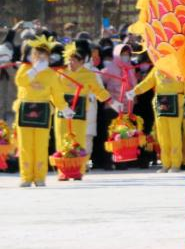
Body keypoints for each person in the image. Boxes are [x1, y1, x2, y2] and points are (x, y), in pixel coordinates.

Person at [55, 43, 120, 177]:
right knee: (62, 140)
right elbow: (53, 91)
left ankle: (79, 170)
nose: (71, 63)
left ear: (81, 61)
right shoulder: (61, 73)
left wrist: (112, 102)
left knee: (79, 140)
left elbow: (99, 91)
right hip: (63, 111)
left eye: (74, 60)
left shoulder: (88, 75)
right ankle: (63, 171)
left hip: (79, 111)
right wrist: (61, 106)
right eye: (70, 60)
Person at [13, 38, 68, 186]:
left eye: (44, 56)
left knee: (41, 145)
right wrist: (35, 69)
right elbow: (20, 81)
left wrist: (64, 108)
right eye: (38, 55)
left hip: (42, 110)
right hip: (25, 109)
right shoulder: (25, 68)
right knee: (25, 145)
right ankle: (26, 177)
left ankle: (39, 177)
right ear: (33, 55)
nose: (41, 58)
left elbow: (57, 94)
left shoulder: (51, 74)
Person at [130, 64, 185, 172]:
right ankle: (165, 163)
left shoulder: (180, 66)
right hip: (161, 103)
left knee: (175, 134)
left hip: (176, 102)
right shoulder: (157, 68)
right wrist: (134, 91)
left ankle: (175, 163)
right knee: (162, 135)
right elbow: (147, 82)